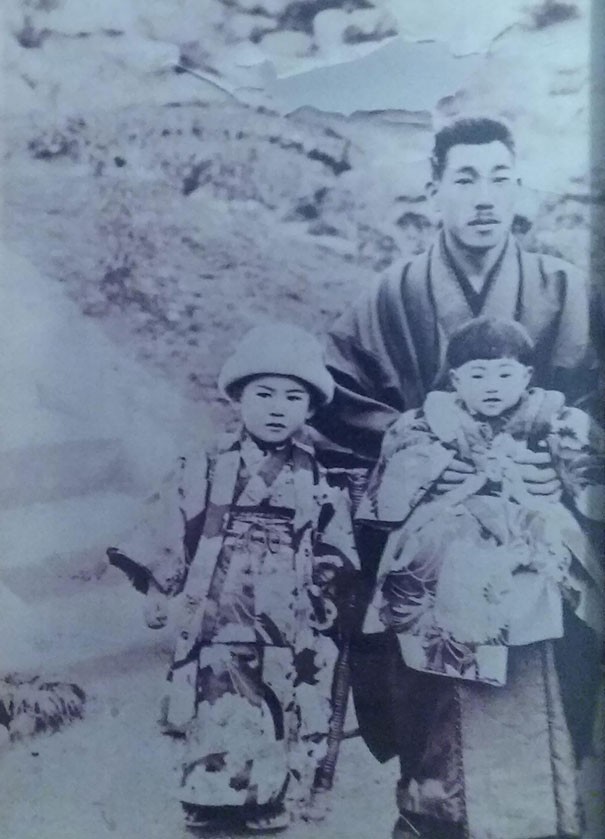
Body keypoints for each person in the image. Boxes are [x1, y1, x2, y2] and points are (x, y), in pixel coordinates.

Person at [309, 116, 602, 838]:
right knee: (422, 676)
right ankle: (431, 813)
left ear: (518, 189)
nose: (482, 197)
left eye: (498, 178)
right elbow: (340, 394)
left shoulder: (565, 287)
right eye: (464, 179)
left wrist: (563, 450)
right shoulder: (393, 292)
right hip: (432, 533)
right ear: (434, 190)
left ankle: (550, 812)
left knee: (553, 670)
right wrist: (424, 448)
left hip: (541, 518)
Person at [356, 316, 604, 838]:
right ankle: (437, 812)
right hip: (440, 578)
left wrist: (555, 479)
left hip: (531, 575)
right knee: (435, 689)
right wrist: (440, 467)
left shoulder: (555, 422)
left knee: (534, 679)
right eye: (477, 374)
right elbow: (383, 502)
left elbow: (592, 495)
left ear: (529, 377)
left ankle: (534, 815)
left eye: (504, 374)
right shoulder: (421, 425)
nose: (491, 387)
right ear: (454, 379)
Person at [107, 324, 359, 833]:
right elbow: (168, 525)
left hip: (288, 626)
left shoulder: (320, 477)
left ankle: (268, 801)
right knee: (211, 706)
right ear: (238, 398)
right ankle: (206, 799)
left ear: (309, 410)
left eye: (293, 398)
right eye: (263, 394)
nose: (276, 408)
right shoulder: (203, 465)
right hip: (216, 617)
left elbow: (335, 550)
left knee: (279, 709)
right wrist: (158, 588)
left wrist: (326, 592)